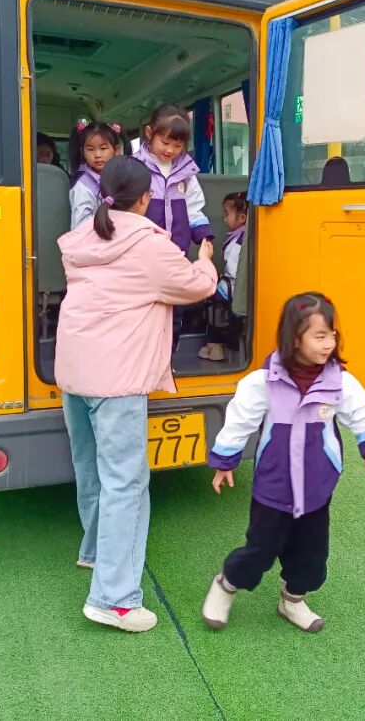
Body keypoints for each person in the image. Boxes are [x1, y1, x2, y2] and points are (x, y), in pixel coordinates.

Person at [55, 156, 218, 633]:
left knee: (91, 470)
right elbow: (195, 286)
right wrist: (206, 260)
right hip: (118, 378)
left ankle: (94, 550)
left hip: (75, 371)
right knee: (125, 483)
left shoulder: (81, 237)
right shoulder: (149, 245)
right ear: (147, 198)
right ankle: (115, 599)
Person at [201, 293, 365, 632]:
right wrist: (225, 460)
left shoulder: (339, 382)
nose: (329, 343)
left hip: (316, 487)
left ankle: (292, 601)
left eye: (333, 335)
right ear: (294, 337)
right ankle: (227, 583)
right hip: (273, 487)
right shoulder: (264, 382)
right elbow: (240, 420)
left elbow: (361, 412)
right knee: (260, 550)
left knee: (311, 556)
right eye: (320, 335)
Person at [134, 104, 214, 255]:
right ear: (149, 133)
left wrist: (204, 236)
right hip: (142, 252)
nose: (170, 150)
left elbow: (193, 207)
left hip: (178, 251)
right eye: (165, 143)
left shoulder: (186, 172)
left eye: (178, 146)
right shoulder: (134, 167)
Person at [199, 191, 249, 363]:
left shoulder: (239, 242)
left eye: (227, 214)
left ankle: (216, 342)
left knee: (209, 298)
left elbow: (234, 270)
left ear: (241, 218)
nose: (225, 219)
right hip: (234, 285)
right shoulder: (242, 236)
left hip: (233, 287)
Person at [68, 119, 123, 229]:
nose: (97, 154)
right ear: (83, 152)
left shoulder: (121, 178)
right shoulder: (83, 186)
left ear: (116, 150)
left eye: (103, 148)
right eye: (90, 149)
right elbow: (80, 228)